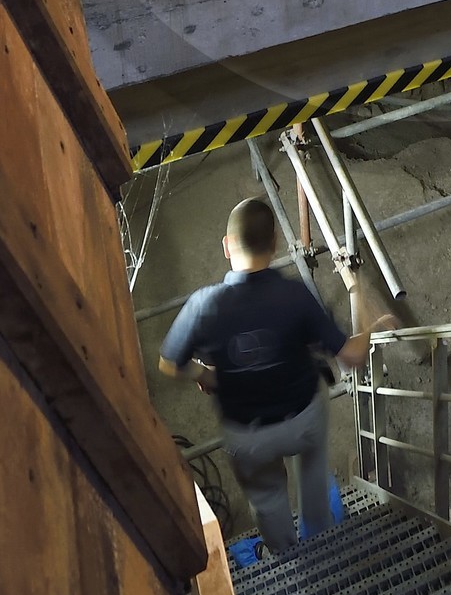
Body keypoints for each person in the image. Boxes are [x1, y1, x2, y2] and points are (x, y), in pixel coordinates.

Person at [160, 195, 380, 553]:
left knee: (267, 499)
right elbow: (352, 355)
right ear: (275, 244)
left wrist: (204, 373)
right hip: (303, 419)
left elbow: (169, 364)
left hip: (248, 435)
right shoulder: (294, 295)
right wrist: (357, 291)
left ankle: (285, 553)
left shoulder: (204, 305)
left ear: (227, 246)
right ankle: (321, 543)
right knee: (313, 478)